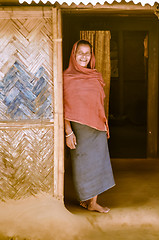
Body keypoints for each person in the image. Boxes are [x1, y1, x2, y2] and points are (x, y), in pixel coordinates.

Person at [63, 40, 115, 213]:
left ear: (91, 56)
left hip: (97, 126)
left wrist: (102, 121)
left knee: (98, 163)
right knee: (82, 164)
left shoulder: (95, 76)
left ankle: (93, 202)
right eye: (80, 52)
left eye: (87, 53)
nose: (84, 56)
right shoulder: (66, 78)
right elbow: (62, 106)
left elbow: (99, 101)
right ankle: (85, 199)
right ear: (73, 54)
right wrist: (68, 132)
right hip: (80, 128)